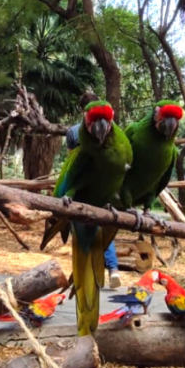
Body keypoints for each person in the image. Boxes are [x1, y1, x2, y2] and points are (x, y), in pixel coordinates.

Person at [66, 123, 122, 289]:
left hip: (85, 189)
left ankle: (88, 272)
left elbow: (70, 162)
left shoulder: (72, 131)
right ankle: (112, 269)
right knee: (98, 227)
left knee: (86, 229)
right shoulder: (109, 129)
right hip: (98, 188)